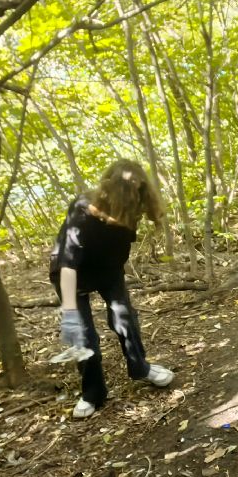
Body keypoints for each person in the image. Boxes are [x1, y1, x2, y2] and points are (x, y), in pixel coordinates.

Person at [52, 159, 174, 419]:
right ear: (110, 189)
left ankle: (140, 368)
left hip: (108, 271)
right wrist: (70, 311)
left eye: (138, 192)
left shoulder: (133, 208)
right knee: (84, 337)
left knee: (125, 318)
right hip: (72, 274)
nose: (133, 199)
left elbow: (116, 251)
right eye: (127, 192)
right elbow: (68, 261)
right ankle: (92, 393)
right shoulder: (82, 209)